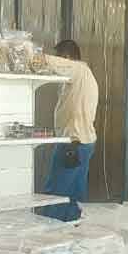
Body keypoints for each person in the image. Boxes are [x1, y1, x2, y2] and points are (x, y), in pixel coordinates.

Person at [39, 39, 99, 222]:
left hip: (73, 142)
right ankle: (71, 229)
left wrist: (27, 52)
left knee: (57, 192)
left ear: (67, 58)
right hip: (84, 141)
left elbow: (49, 62)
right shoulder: (82, 76)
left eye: (60, 58)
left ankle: (49, 231)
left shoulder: (78, 69)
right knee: (74, 192)